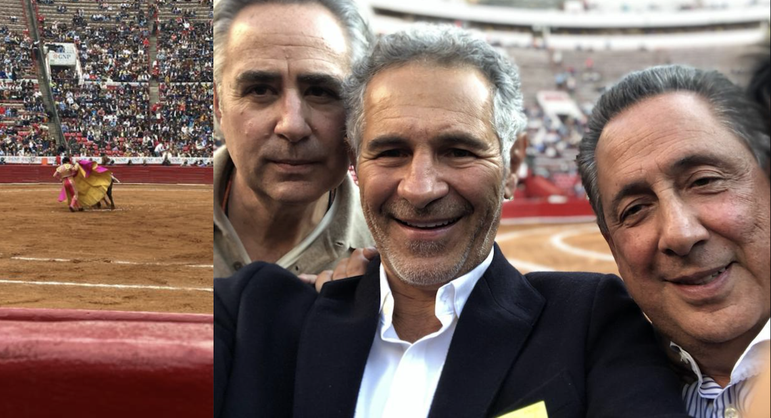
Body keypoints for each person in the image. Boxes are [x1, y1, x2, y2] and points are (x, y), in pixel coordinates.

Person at [214, 26, 690, 417]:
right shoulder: (257, 313)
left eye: (458, 151)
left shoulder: (591, 321)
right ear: (356, 163)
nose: (420, 188)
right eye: (392, 152)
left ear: (512, 164)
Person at [576, 65, 770, 417]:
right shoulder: (585, 387)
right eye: (635, 209)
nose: (680, 233)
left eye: (704, 181)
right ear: (612, 245)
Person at [212, 0, 374, 278]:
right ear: (219, 106)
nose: (292, 126)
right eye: (260, 90)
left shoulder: (395, 261)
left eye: (321, 92)